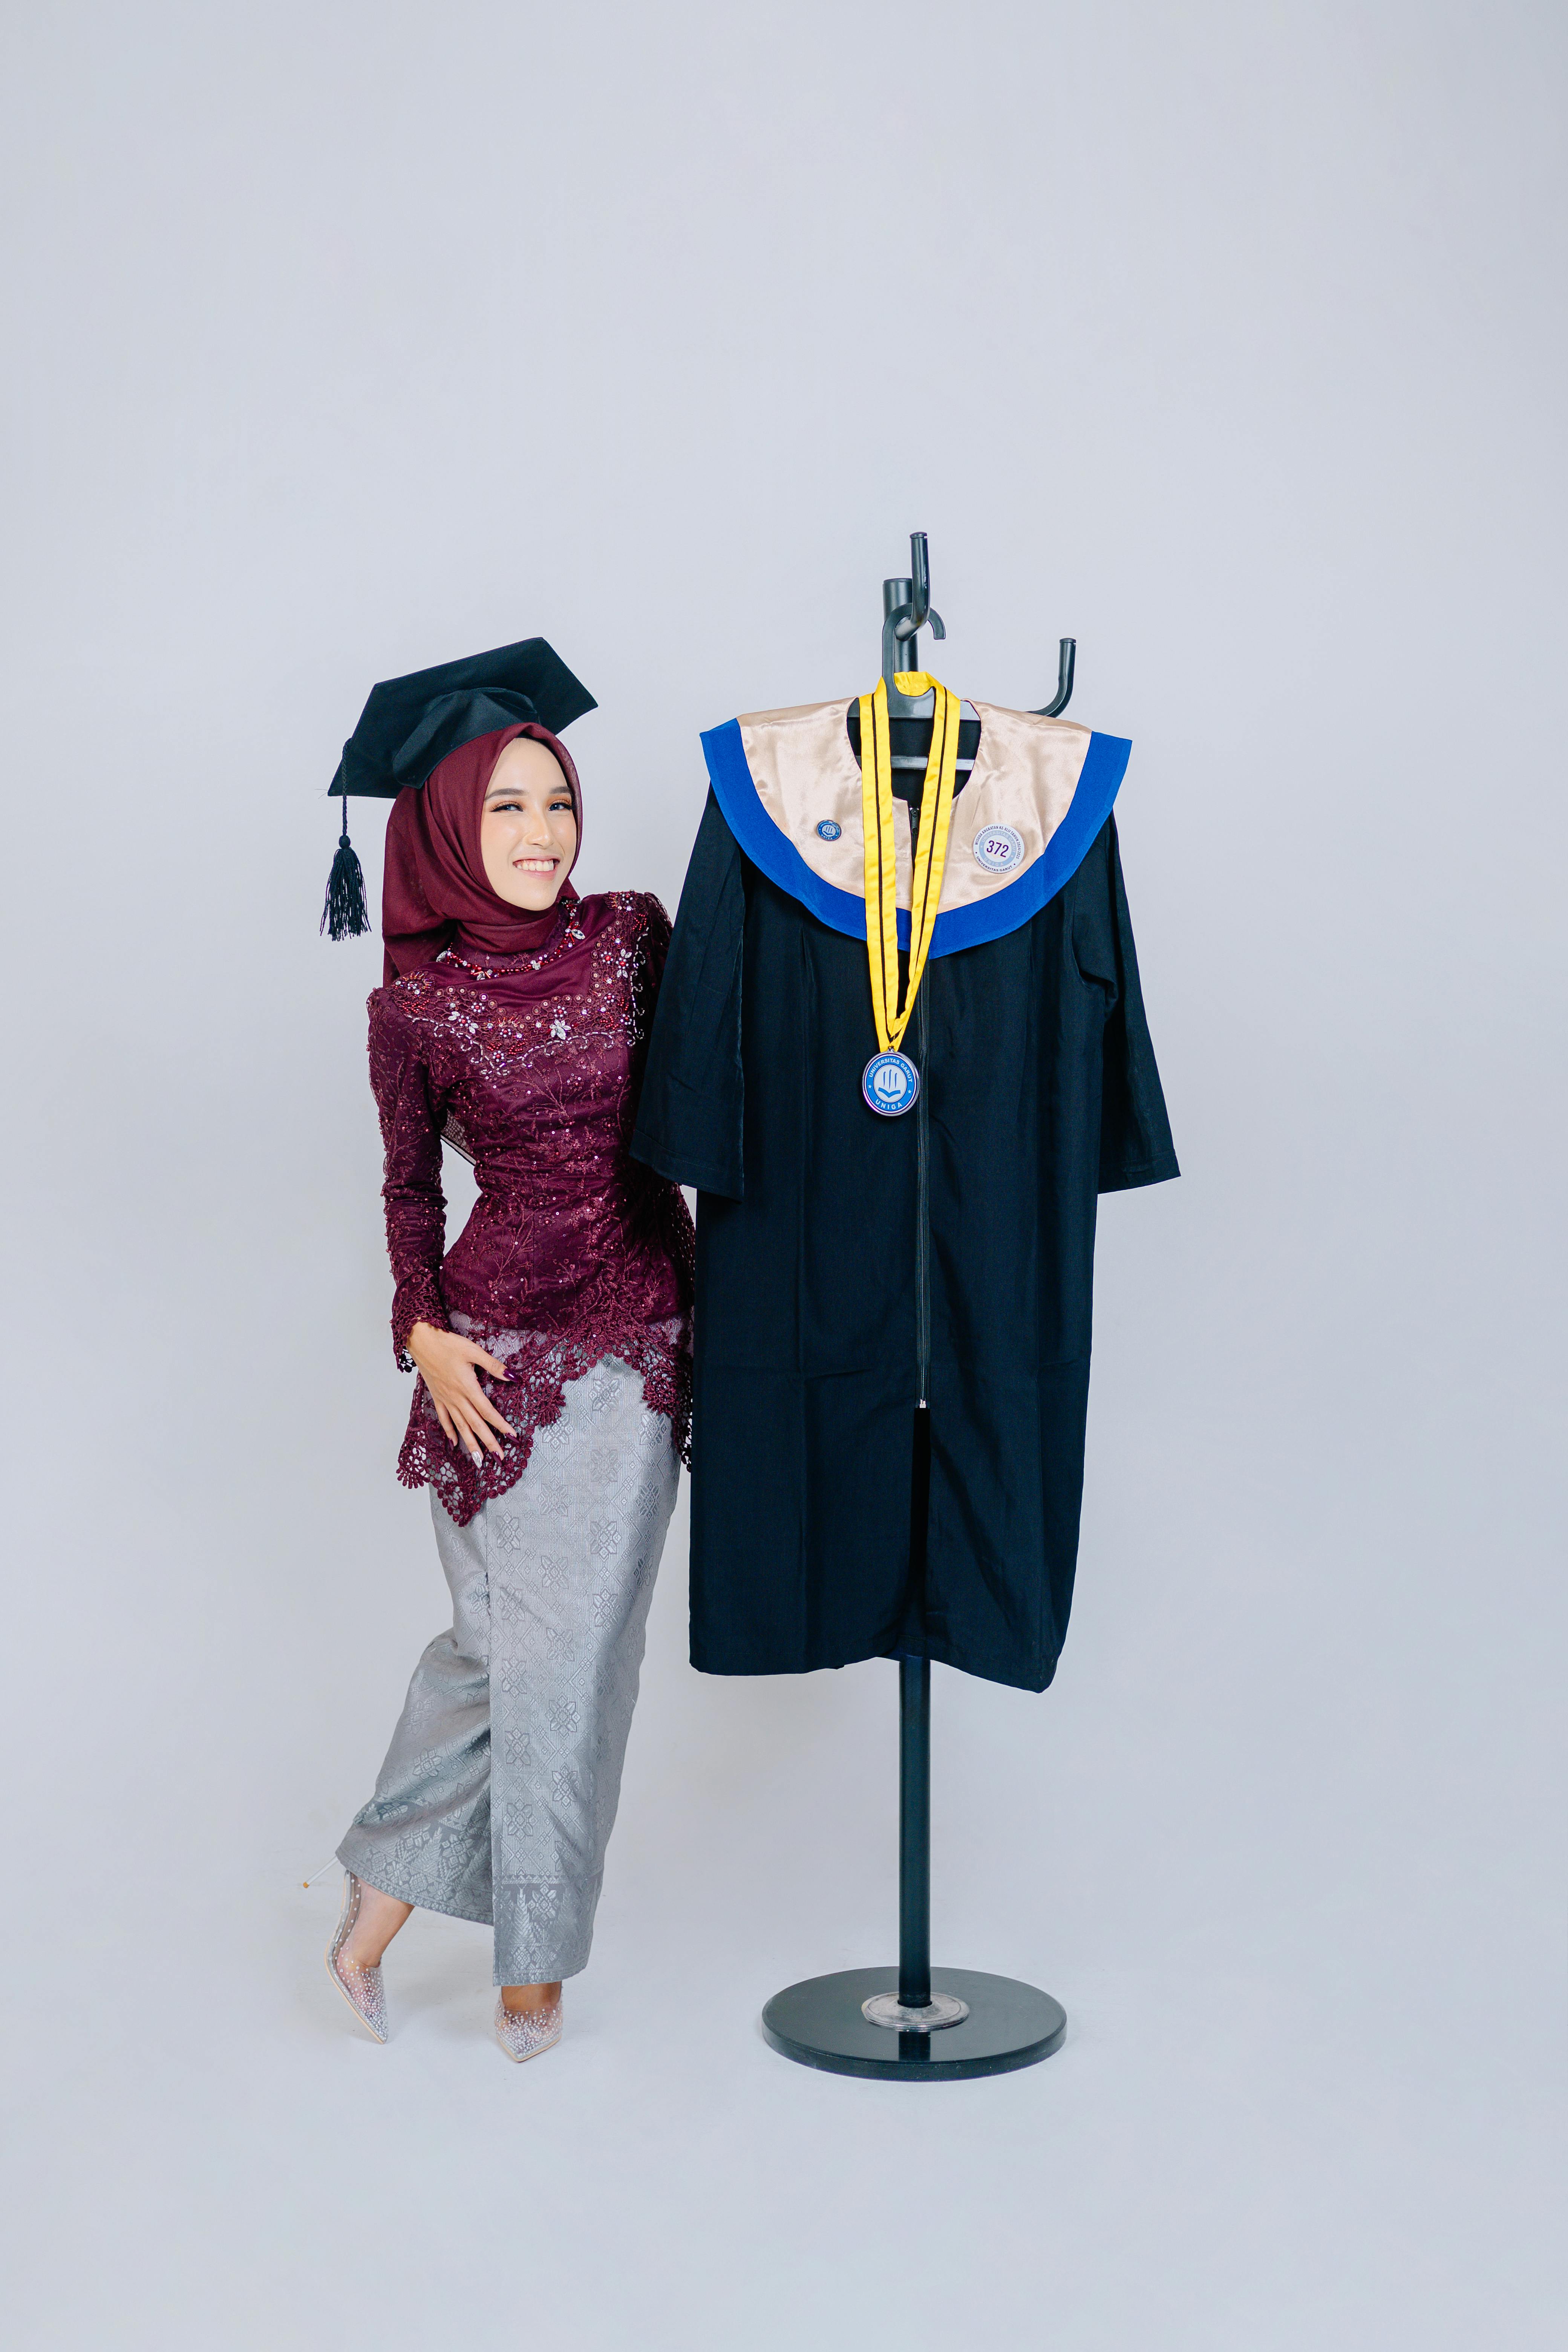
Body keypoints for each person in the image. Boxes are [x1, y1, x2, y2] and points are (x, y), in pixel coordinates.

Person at [325, 706, 693, 2063]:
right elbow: (408, 1190)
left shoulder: (633, 939)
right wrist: (419, 1330)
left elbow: (730, 1072)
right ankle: (402, 1909)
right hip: (491, 1363)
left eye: (560, 803)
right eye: (509, 809)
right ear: (446, 832)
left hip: (639, 1345)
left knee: (578, 1662)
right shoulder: (413, 1009)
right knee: (498, 1651)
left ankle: (512, 1948)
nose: (546, 835)